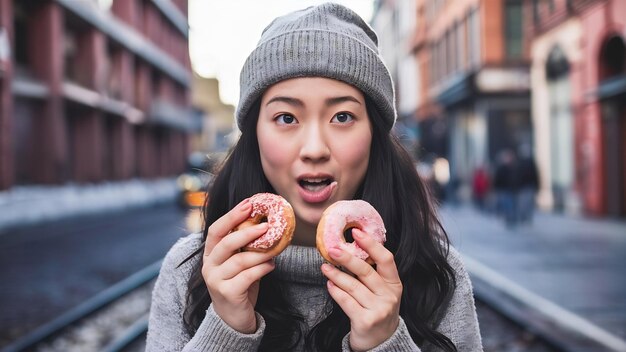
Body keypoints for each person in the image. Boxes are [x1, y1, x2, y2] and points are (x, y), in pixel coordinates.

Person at [146, 4, 482, 351]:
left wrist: (386, 343)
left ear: (374, 135)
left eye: (342, 116)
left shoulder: (437, 274)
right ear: (254, 135)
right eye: (286, 118)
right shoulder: (188, 271)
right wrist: (225, 331)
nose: (314, 148)